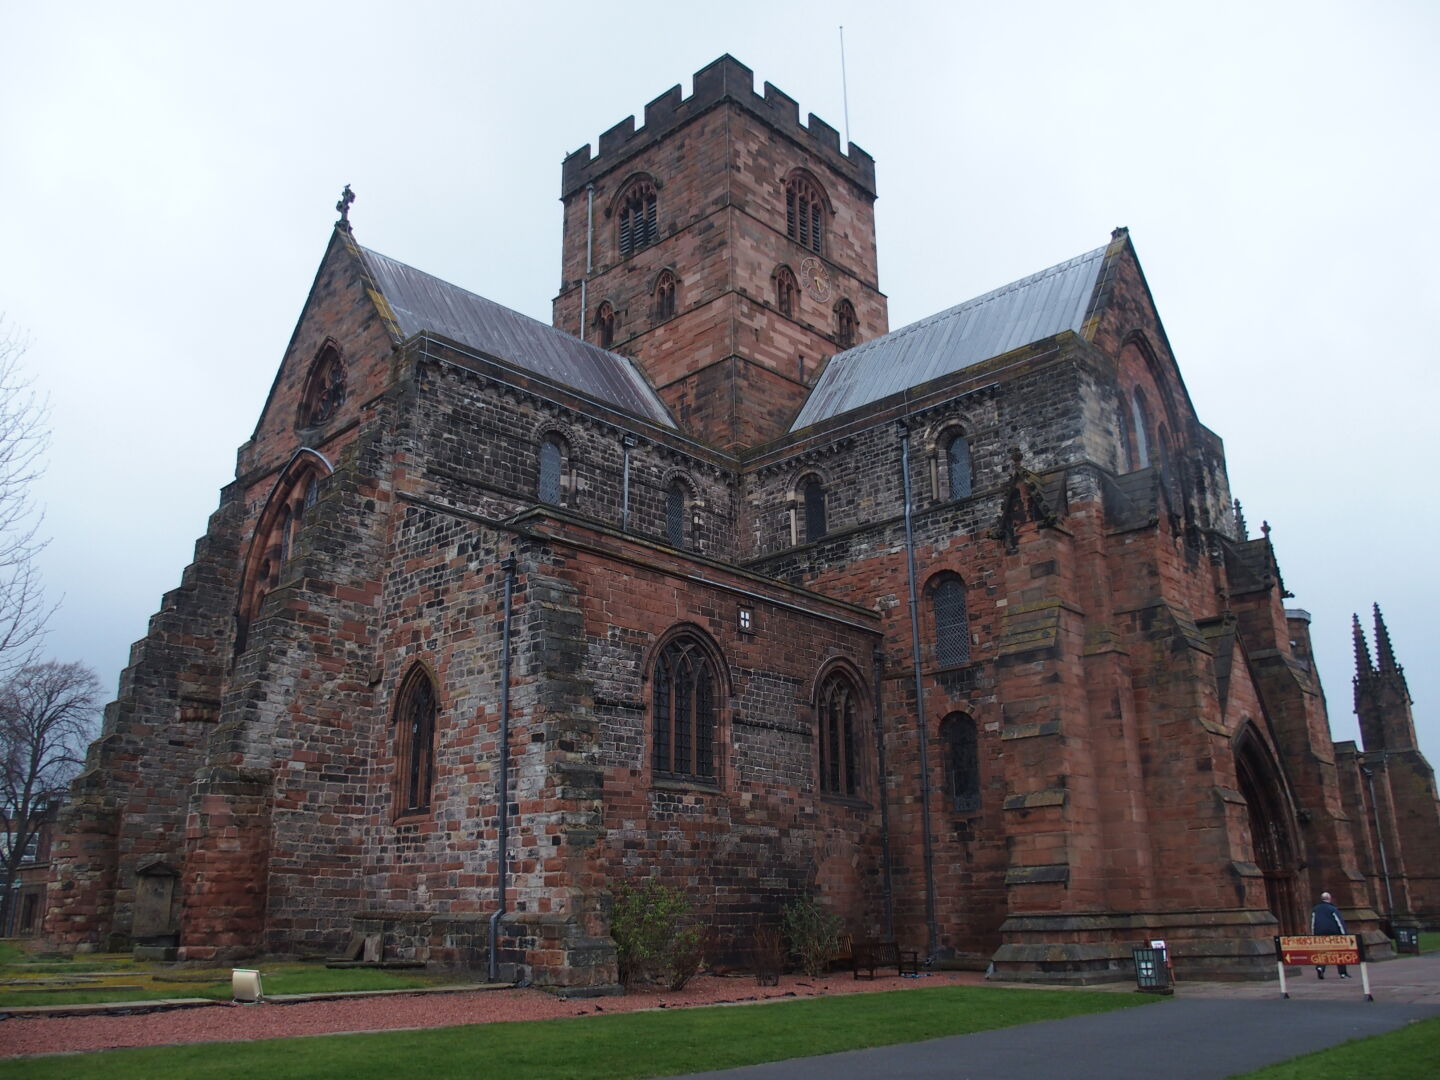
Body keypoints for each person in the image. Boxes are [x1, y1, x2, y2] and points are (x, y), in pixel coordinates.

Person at [1311, 891, 1351, 979]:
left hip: (1320, 933)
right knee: (1339, 953)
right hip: (1334, 933)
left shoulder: (1315, 909)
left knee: (1322, 952)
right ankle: (1342, 973)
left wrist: (1314, 934)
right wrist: (1344, 935)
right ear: (1329, 899)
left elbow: (1313, 922)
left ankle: (1320, 967)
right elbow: (1339, 922)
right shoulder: (1332, 908)